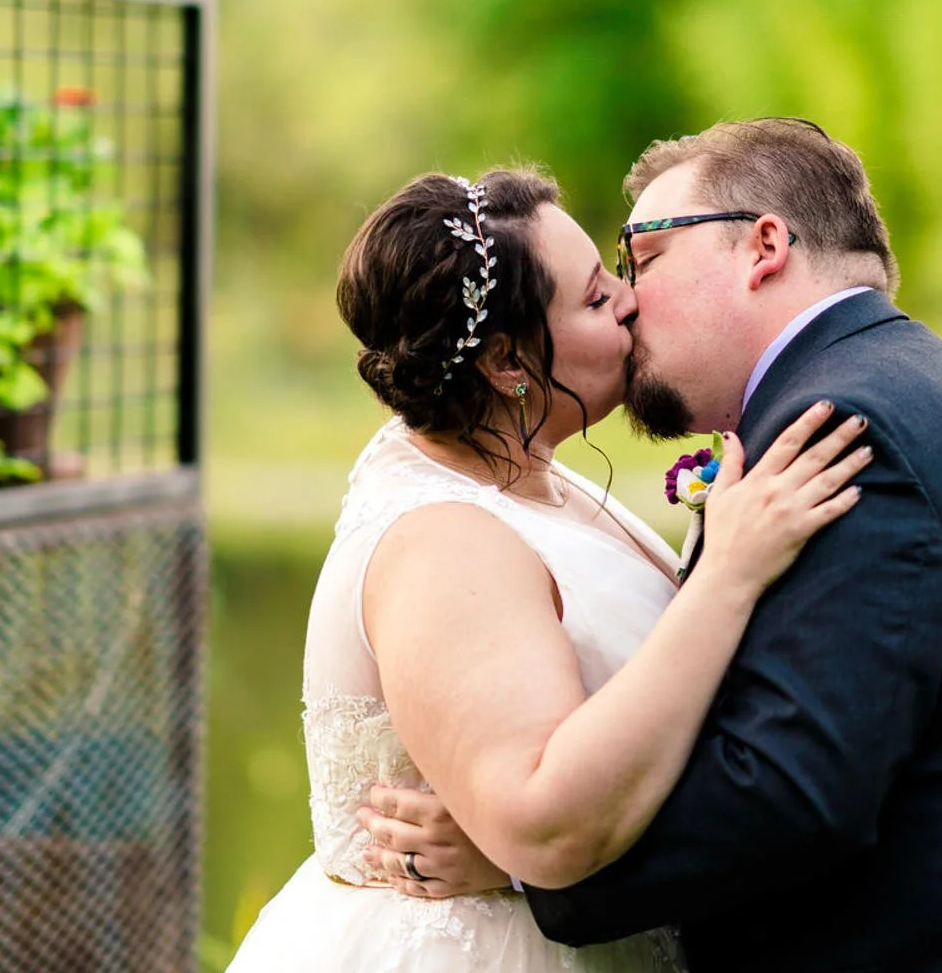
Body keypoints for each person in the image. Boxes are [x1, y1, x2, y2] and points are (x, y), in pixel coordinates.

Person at [365, 119, 942, 972]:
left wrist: (530, 865)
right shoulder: (871, 382)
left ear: (762, 246)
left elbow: (791, 792)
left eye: (644, 256)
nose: (629, 302)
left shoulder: (844, 426)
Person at [225, 167, 871, 972]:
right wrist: (729, 572)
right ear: (504, 364)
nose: (632, 302)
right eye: (598, 300)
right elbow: (543, 819)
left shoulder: (522, 475)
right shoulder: (444, 540)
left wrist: (507, 860)